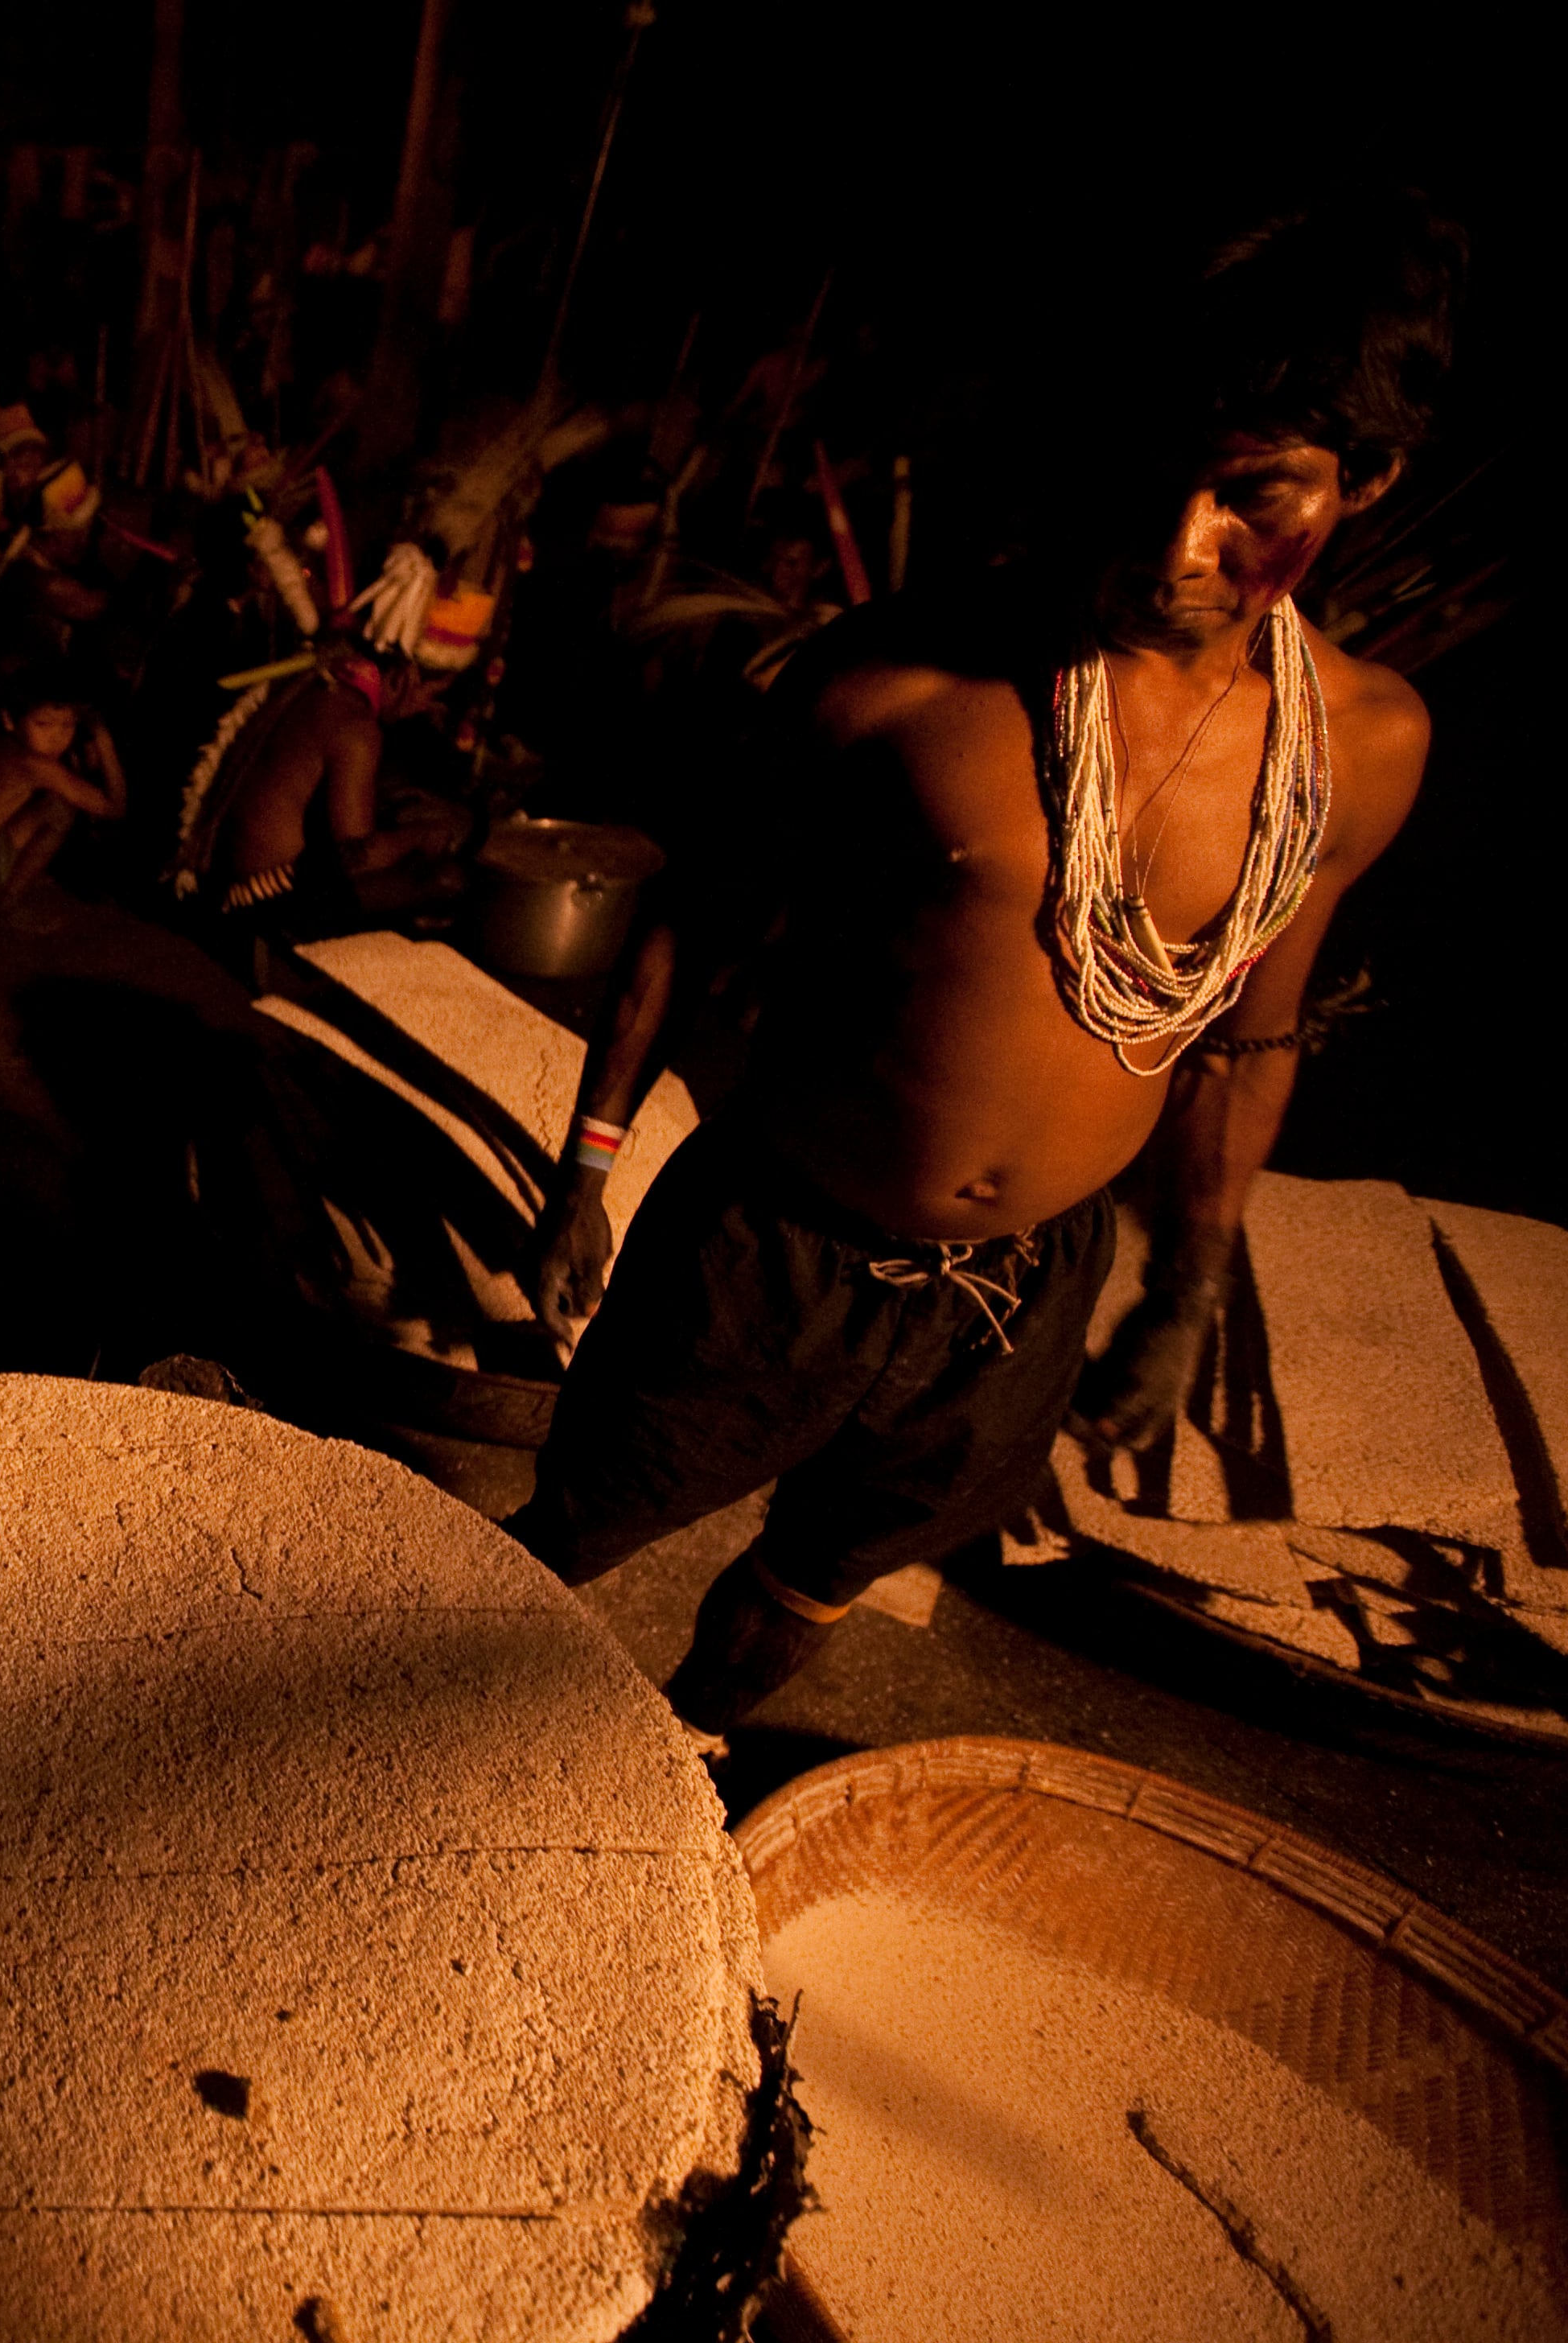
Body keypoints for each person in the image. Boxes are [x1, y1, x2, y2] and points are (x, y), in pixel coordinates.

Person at [510, 197, 1453, 1735]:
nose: (1176, 548)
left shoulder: (1365, 750)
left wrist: (1185, 1286)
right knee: (560, 1544)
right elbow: (697, 914)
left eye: (1250, 496)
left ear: (1368, 481)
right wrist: (585, 1167)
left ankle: (679, 1769)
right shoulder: (897, 686)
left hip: (1020, 1296)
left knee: (818, 1579)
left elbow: (1246, 1034)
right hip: (778, 1251)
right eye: (1156, 476)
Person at [169, 637, 458, 941]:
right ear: (405, 677)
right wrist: (421, 834)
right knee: (446, 880)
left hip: (222, 874)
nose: (428, 709)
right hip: (263, 896)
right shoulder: (356, 725)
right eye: (431, 696)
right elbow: (355, 858)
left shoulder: (320, 681)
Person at [0, 676, 123, 917]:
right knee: (58, 809)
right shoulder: (34, 765)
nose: (56, 736)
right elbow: (114, 808)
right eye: (43, 724)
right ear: (10, 720)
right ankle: (1, 905)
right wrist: (103, 740)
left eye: (67, 726)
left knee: (56, 795)